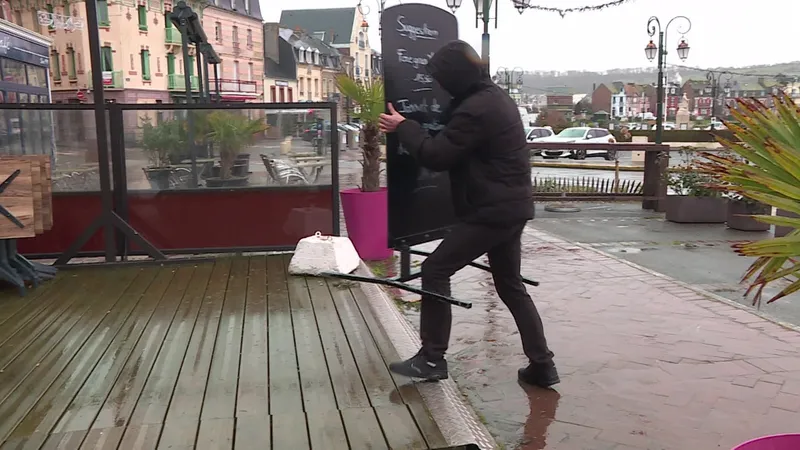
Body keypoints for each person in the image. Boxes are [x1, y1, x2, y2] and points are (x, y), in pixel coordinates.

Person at [379, 40, 559, 388]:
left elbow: (437, 156)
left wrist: (405, 126)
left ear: (456, 77)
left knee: (435, 269)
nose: (440, 87)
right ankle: (542, 365)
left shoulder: (477, 108)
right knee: (510, 285)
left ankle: (432, 358)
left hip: (491, 210)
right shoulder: (493, 98)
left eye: (443, 79)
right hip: (510, 206)